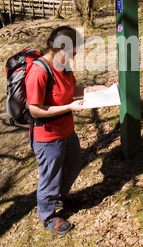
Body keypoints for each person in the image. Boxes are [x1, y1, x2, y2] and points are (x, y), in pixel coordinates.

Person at [25, 25, 106, 236]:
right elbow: (35, 110)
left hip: (66, 130)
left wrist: (90, 90)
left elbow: (69, 90)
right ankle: (48, 216)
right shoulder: (38, 72)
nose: (74, 57)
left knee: (73, 165)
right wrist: (68, 107)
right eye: (73, 53)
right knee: (50, 176)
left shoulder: (63, 64)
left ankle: (61, 196)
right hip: (47, 135)